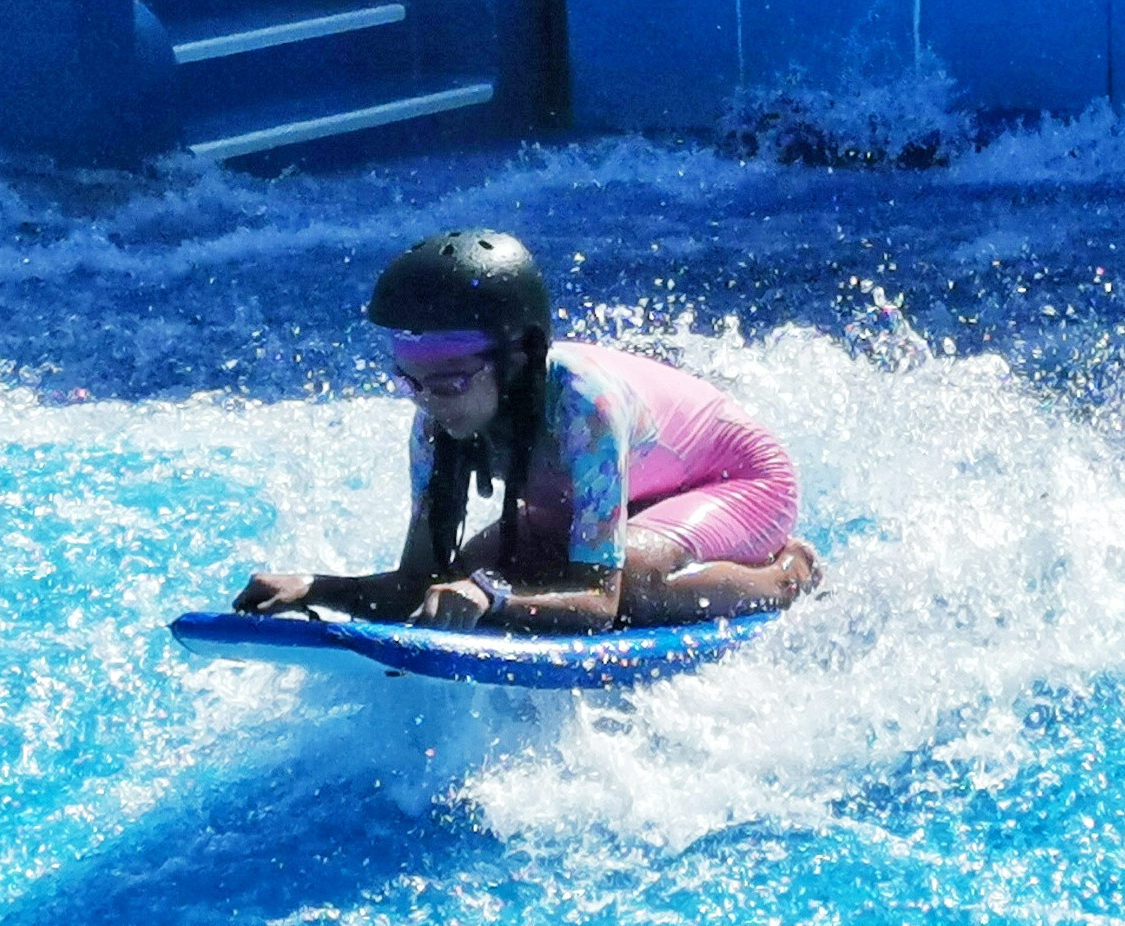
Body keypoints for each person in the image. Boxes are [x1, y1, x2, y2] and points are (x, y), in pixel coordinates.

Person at [235, 229, 822, 634]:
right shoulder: (437, 421)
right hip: (627, 490)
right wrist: (312, 587)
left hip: (740, 480)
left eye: (452, 381)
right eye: (411, 381)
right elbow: (417, 584)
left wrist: (493, 603)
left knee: (637, 585)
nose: (430, 401)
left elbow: (600, 601)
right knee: (462, 573)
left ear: (519, 359)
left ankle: (788, 574)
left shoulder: (582, 407)